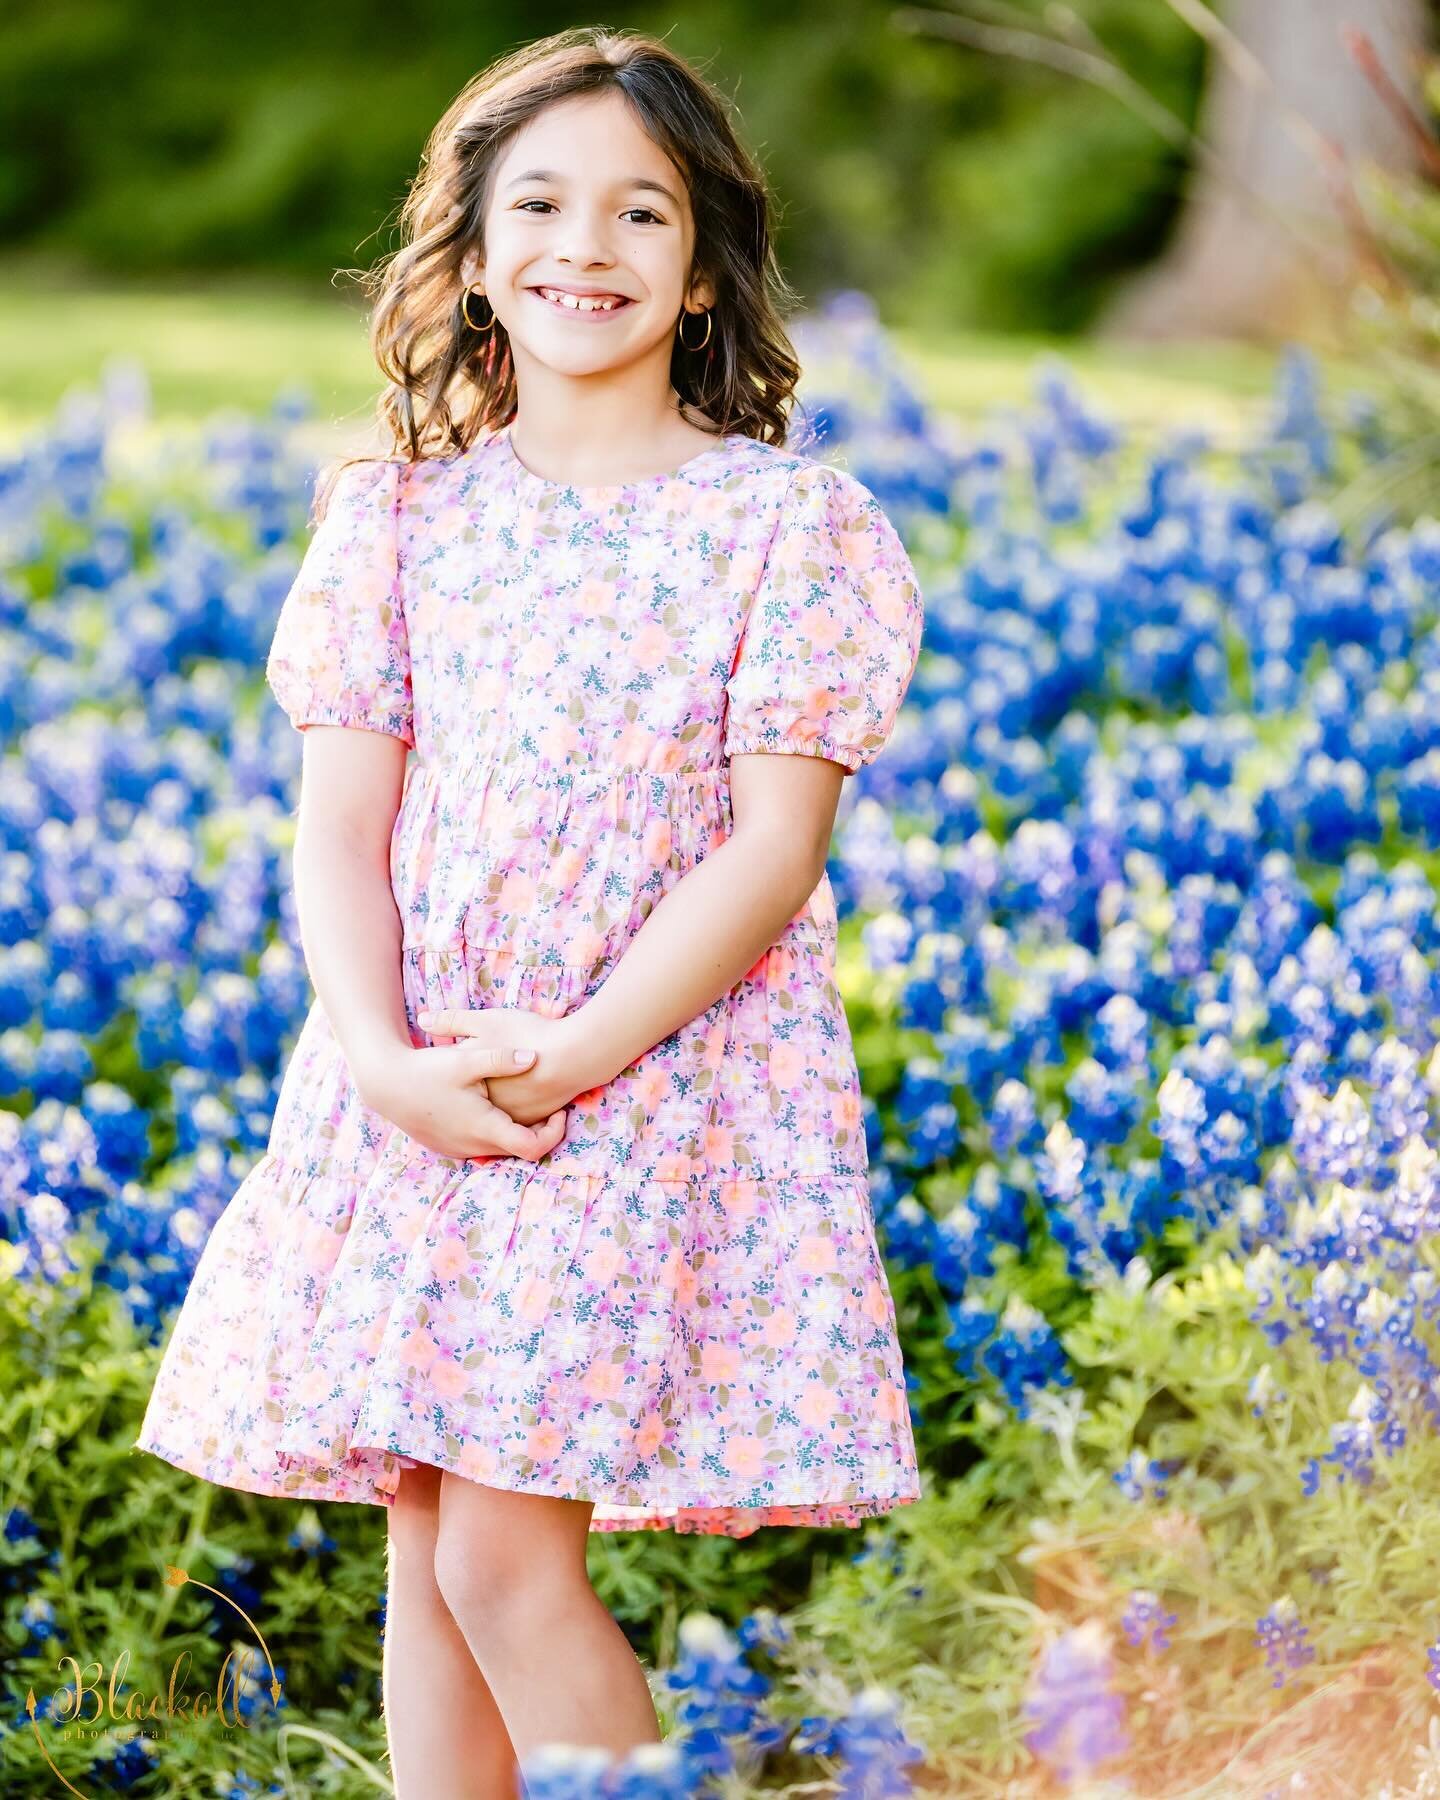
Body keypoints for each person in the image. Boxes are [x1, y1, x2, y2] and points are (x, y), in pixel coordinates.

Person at [134, 23, 925, 1795]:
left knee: (502, 1553)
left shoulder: (786, 525)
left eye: (642, 212)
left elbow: (771, 851)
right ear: (476, 255)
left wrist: (569, 1055)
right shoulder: (398, 518)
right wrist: (378, 1059)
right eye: (543, 204)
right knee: (428, 1530)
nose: (589, 245)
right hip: (416, 1077)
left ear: (708, 267)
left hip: (639, 1079)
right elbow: (338, 829)